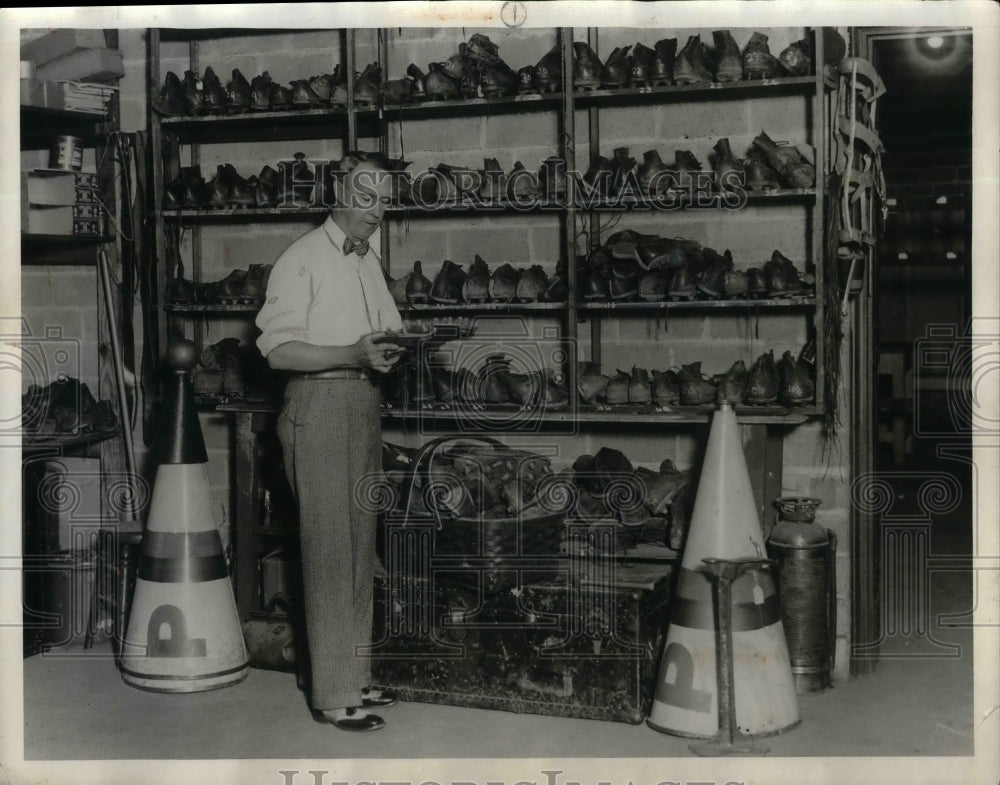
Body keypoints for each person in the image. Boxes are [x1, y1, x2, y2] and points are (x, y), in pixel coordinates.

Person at [255, 151, 404, 732]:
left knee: (360, 547)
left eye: (385, 198)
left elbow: (382, 332)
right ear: (337, 194)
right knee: (328, 549)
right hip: (317, 407)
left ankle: (355, 675)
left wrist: (397, 349)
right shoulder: (301, 259)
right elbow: (277, 349)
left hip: (363, 403)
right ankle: (332, 695)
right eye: (366, 197)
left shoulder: (367, 261)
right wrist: (351, 354)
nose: (377, 210)